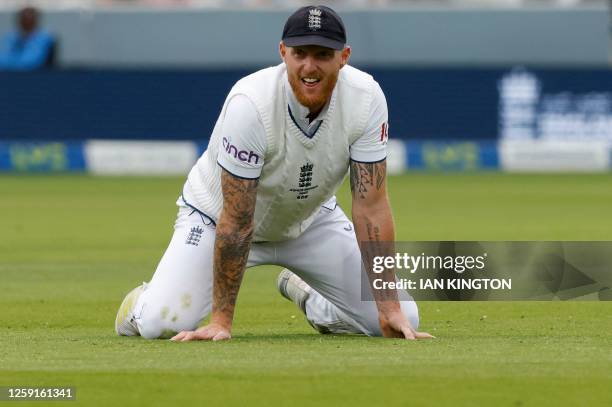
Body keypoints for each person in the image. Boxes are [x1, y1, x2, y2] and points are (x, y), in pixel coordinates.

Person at [115, 5, 433, 341]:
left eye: (323, 55)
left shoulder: (367, 98)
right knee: (161, 323)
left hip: (310, 223)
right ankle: (140, 303)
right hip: (213, 219)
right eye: (300, 54)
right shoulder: (250, 103)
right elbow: (236, 220)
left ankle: (311, 297)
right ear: (283, 52)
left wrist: (388, 307)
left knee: (402, 317)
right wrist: (222, 322)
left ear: (344, 57)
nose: (310, 67)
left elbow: (372, 205)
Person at [0, 6, 56, 71]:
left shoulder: (45, 38)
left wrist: (11, 62)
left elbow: (32, 61)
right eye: (24, 18)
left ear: (36, 20)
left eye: (30, 18)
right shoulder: (9, 37)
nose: (27, 21)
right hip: (7, 76)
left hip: (34, 77)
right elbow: (2, 59)